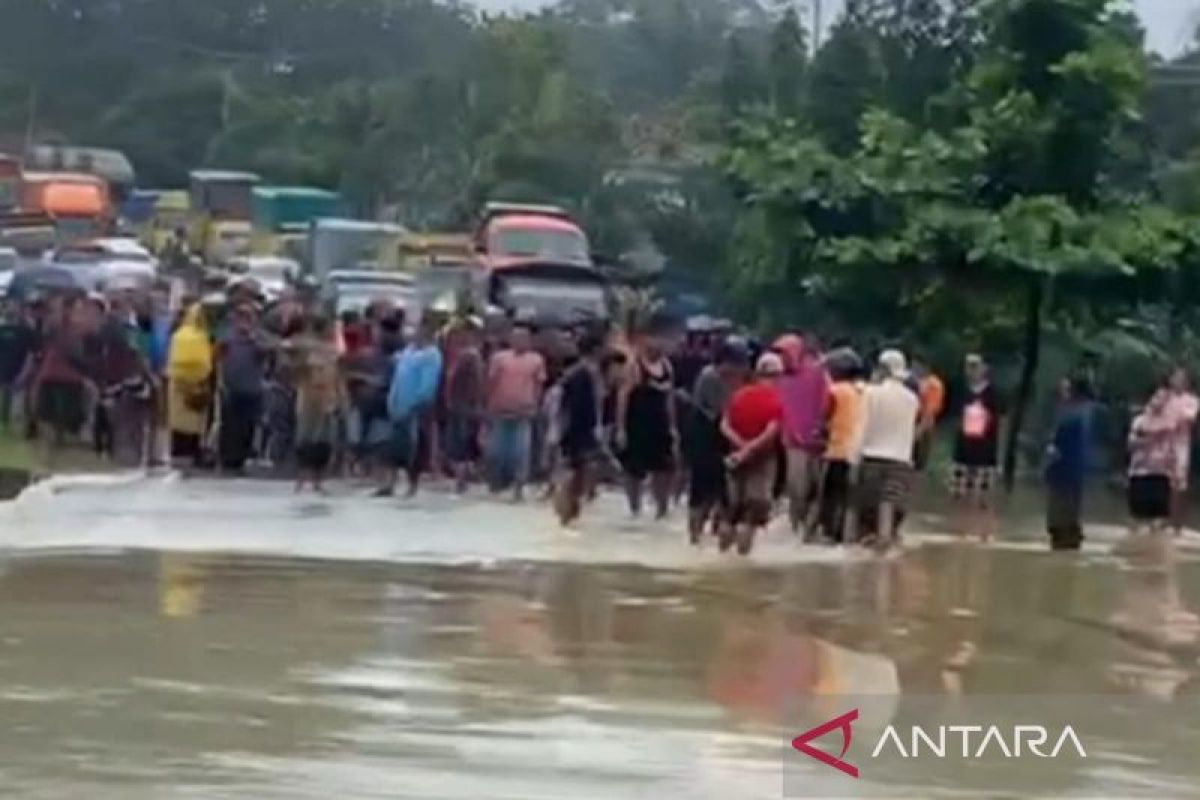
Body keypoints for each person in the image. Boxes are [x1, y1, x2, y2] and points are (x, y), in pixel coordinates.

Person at [721, 352, 785, 556]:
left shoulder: (739, 395)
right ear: (777, 376)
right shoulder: (775, 400)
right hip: (762, 460)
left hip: (734, 457)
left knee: (731, 511)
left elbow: (724, 425)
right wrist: (750, 449)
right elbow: (771, 432)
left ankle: (722, 554)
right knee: (752, 513)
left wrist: (740, 447)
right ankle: (742, 559)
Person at [856, 350, 920, 550]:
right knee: (889, 506)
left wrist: (853, 456)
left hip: (871, 458)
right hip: (901, 461)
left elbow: (861, 425)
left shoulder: (869, 393)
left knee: (866, 515)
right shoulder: (912, 399)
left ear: (882, 369)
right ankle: (885, 551)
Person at [686, 340, 748, 545]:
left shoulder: (736, 379)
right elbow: (718, 412)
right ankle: (695, 537)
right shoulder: (710, 377)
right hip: (705, 435)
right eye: (738, 363)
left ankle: (715, 534)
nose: (741, 368)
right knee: (702, 490)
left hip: (724, 434)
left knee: (723, 491)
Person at [616, 320, 679, 518]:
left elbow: (669, 398)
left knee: (665, 468)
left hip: (659, 425)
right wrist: (621, 428)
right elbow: (623, 396)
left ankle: (662, 508)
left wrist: (673, 427)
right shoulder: (634, 365)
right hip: (637, 424)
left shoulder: (667, 366)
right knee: (634, 470)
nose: (662, 345)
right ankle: (635, 508)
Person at [776, 334, 831, 537]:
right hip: (792, 442)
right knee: (796, 488)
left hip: (818, 441)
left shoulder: (817, 373)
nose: (781, 358)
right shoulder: (778, 377)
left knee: (817, 489)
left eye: (784, 353)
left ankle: (810, 529)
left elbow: (827, 401)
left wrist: (822, 427)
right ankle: (795, 529)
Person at [485, 323, 547, 501]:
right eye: (516, 337)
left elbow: (538, 385)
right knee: (497, 450)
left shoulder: (536, 360)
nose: (519, 341)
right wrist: (489, 405)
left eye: (523, 338)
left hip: (523, 411)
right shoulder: (499, 358)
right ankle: (497, 483)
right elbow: (491, 382)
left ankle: (518, 487)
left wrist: (535, 406)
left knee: (520, 451)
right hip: (501, 409)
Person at [381, 317, 442, 497]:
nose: (415, 334)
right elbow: (396, 372)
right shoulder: (407, 352)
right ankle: (390, 484)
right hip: (397, 406)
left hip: (415, 408)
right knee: (394, 447)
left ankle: (412, 485)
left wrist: (418, 404)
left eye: (419, 331)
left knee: (414, 449)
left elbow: (428, 385)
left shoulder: (432, 355)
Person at [553, 330, 608, 526]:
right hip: (578, 431)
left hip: (582, 430)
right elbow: (577, 407)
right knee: (574, 473)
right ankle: (565, 515)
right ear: (596, 349)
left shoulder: (586, 372)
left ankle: (570, 514)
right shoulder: (581, 374)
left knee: (580, 473)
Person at [950, 354, 1004, 542]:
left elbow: (999, 420)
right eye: (968, 366)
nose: (971, 370)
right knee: (960, 494)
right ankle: (961, 533)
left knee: (984, 496)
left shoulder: (993, 393)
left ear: (984, 369)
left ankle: (984, 533)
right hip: (963, 450)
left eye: (975, 366)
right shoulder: (961, 391)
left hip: (986, 451)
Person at [293, 316, 345, 493]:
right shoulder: (307, 349)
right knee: (305, 440)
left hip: (327, 401)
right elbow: (298, 370)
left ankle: (318, 480)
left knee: (324, 442)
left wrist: (340, 399)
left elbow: (338, 377)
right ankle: (301, 479)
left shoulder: (332, 352)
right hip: (309, 401)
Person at [818, 351, 865, 543]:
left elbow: (824, 417)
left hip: (837, 451)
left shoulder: (834, 390)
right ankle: (847, 536)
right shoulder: (863, 390)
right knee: (850, 499)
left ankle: (828, 534)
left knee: (829, 497)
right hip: (859, 451)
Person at [216, 303, 268, 474]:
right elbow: (218, 355)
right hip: (231, 386)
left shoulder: (258, 336)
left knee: (247, 426)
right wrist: (221, 381)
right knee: (230, 424)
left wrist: (252, 337)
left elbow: (265, 352)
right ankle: (227, 459)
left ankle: (241, 458)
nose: (243, 321)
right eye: (240, 317)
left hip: (251, 388)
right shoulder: (227, 336)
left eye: (247, 317)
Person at [1044, 376, 1093, 550]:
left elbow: (1058, 447)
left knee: (1060, 514)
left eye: (1065, 388)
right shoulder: (1081, 413)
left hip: (1064, 470)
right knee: (1069, 512)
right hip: (1073, 471)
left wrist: (1051, 455)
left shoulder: (1070, 415)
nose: (1061, 392)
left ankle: (1064, 539)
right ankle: (1069, 539)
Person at [166, 304, 214, 467]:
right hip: (187, 384)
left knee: (191, 422)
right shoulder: (188, 336)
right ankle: (185, 453)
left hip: (192, 383)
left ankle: (188, 453)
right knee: (188, 422)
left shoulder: (192, 335)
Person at [444, 321, 487, 493]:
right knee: (461, 443)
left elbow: (477, 382)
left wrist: (477, 403)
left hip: (465, 405)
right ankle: (464, 477)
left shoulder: (470, 356)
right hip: (460, 405)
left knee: (461, 443)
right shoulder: (463, 355)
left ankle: (463, 479)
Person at [1128, 389, 1178, 536]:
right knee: (1136, 518)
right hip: (1139, 472)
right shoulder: (1139, 421)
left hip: (1161, 474)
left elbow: (1172, 450)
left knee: (1158, 521)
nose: (1160, 401)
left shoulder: (1170, 425)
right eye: (1157, 397)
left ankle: (1155, 552)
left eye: (1164, 399)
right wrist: (1148, 438)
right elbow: (1130, 444)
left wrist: (1174, 473)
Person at [1162, 366, 1198, 533]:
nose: (1176, 381)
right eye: (1174, 377)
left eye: (1180, 378)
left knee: (1179, 484)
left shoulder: (1192, 400)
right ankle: (1161, 518)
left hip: (1180, 444)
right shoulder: (1163, 398)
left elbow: (1188, 418)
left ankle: (1176, 521)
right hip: (1161, 443)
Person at [0, 299, 36, 430]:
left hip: (22, 368)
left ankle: (22, 423)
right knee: (6, 396)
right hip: (4, 368)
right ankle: (5, 421)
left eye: (14, 307)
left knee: (21, 399)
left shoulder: (26, 330)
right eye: (8, 307)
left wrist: (27, 368)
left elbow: (32, 351)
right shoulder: (2, 329)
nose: (11, 310)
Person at [912, 354, 945, 470]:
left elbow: (930, 411)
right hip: (910, 421)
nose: (914, 368)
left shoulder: (933, 384)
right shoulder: (913, 381)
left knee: (918, 461)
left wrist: (920, 430)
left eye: (917, 366)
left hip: (923, 424)